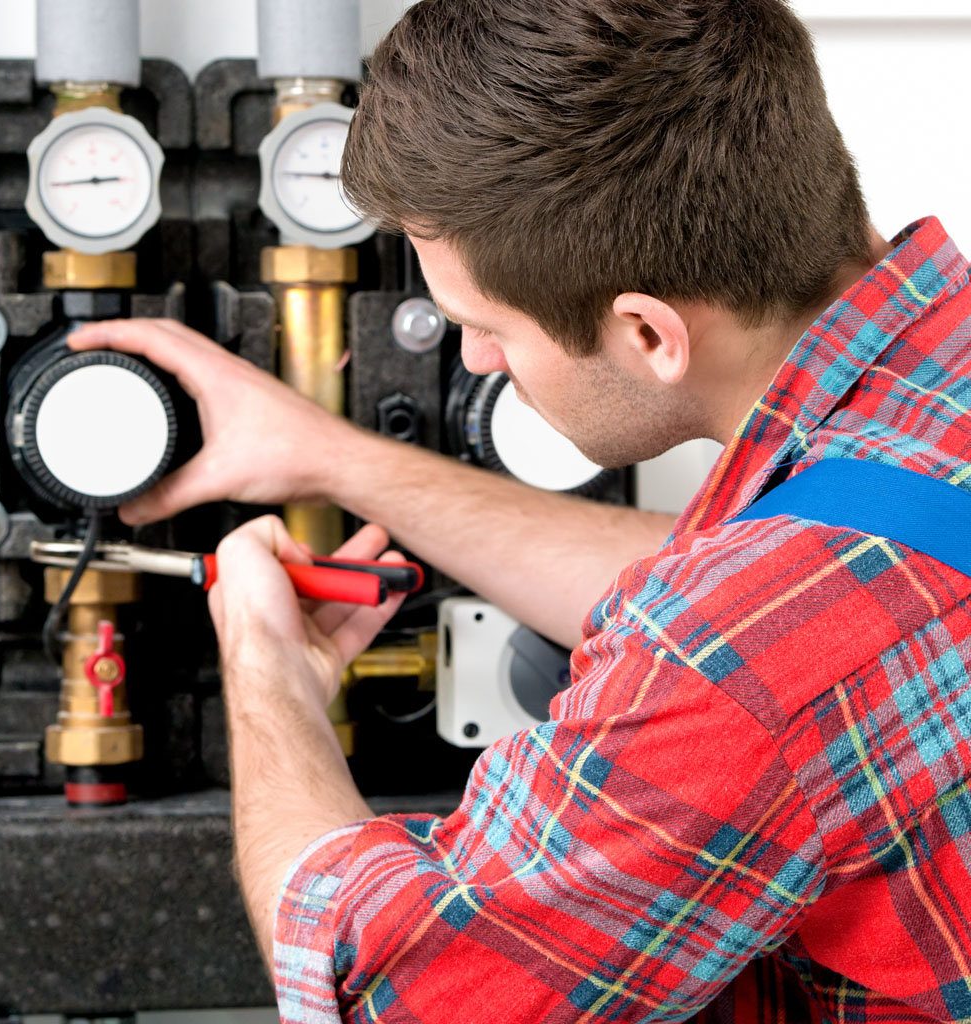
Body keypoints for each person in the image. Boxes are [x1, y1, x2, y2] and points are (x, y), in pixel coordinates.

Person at [70, 0, 971, 1020]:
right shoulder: (927, 383)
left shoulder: (740, 664)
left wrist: (266, 673)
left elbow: (387, 995)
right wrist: (330, 457)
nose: (475, 358)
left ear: (648, 334)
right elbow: (787, 589)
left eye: (486, 325)